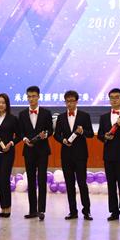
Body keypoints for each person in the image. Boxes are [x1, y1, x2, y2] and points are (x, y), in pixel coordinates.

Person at [53, 90, 95, 221]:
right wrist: (63, 140)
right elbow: (56, 135)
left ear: (76, 102)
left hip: (80, 155)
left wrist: (82, 132)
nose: (70, 104)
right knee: (69, 184)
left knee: (82, 183)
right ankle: (72, 211)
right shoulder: (61, 117)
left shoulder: (84, 116)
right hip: (66, 155)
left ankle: (87, 211)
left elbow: (91, 134)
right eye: (67, 101)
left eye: (72, 101)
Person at [97, 88, 120, 222]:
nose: (114, 100)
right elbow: (99, 135)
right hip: (108, 156)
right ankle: (113, 212)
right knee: (111, 185)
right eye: (111, 97)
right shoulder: (104, 117)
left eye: (117, 97)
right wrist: (105, 137)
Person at [18, 86, 53, 221]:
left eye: (34, 96)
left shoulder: (46, 113)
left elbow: (50, 130)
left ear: (38, 97)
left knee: (42, 179)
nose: (31, 99)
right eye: (29, 96)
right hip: (28, 151)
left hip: (42, 150)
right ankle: (32, 210)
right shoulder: (22, 114)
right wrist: (24, 139)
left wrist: (46, 135)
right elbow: (21, 132)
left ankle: (41, 210)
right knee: (31, 180)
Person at [0, 93, 20, 218]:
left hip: (8, 152)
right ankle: (2, 207)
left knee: (4, 179)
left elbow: (19, 136)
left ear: (7, 104)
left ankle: (8, 207)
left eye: (3, 102)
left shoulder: (13, 119)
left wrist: (11, 143)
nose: (0, 105)